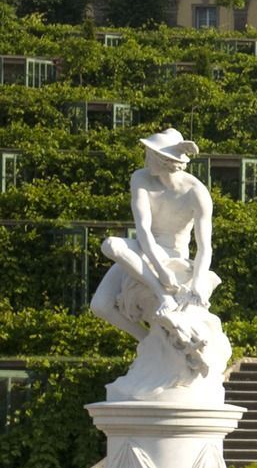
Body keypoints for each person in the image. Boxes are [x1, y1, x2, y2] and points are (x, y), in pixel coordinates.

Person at [93, 128, 233, 399]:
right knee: (102, 295)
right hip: (145, 251)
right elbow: (143, 231)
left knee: (117, 254)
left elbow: (205, 247)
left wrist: (198, 282)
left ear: (164, 159)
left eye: (150, 153)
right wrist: (160, 273)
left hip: (175, 254)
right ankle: (148, 340)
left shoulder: (196, 192)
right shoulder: (140, 179)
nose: (146, 158)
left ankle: (159, 341)